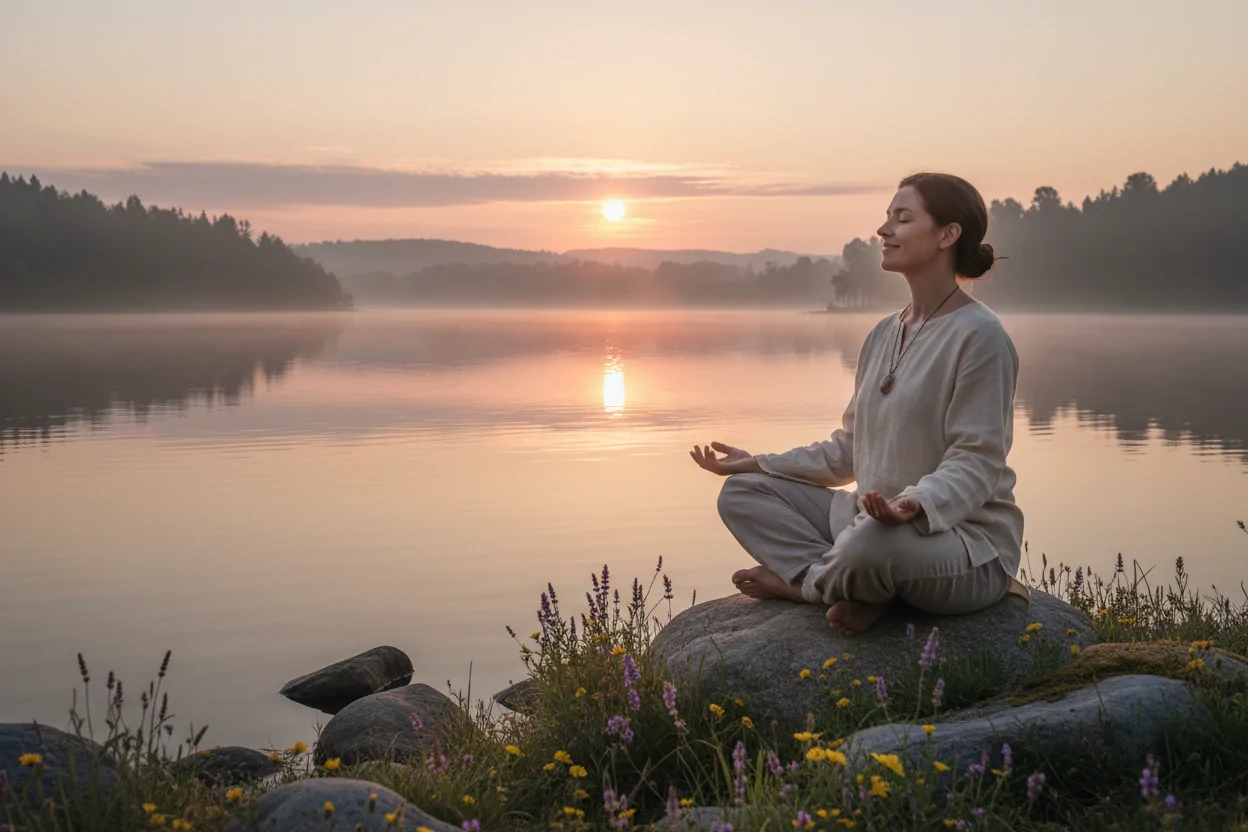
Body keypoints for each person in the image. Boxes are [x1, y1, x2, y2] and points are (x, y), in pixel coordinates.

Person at [690, 172, 1027, 637]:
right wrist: (760, 463)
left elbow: (977, 460)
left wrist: (915, 504)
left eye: (902, 218)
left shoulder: (981, 336)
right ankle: (847, 587)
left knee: (869, 544)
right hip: (870, 519)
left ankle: (809, 585)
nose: (883, 230)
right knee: (743, 493)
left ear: (949, 234)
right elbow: (850, 450)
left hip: (961, 543)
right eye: (887, 217)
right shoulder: (883, 333)